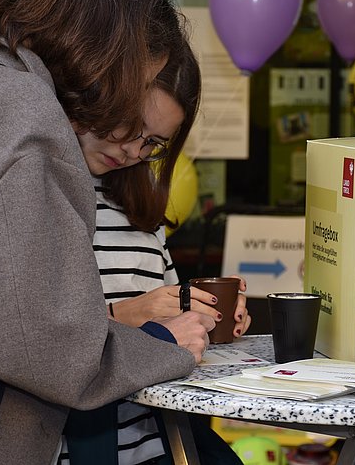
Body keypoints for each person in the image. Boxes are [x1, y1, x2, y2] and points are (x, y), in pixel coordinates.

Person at [0, 0, 216, 463]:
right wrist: (162, 343)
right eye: (142, 74)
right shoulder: (25, 118)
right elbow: (41, 347)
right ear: (106, 47)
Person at [62, 41, 248, 464]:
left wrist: (204, 316)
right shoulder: (49, 195)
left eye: (153, 143)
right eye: (129, 126)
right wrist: (126, 316)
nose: (132, 151)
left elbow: (168, 330)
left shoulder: (140, 211)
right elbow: (31, 338)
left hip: (158, 443)